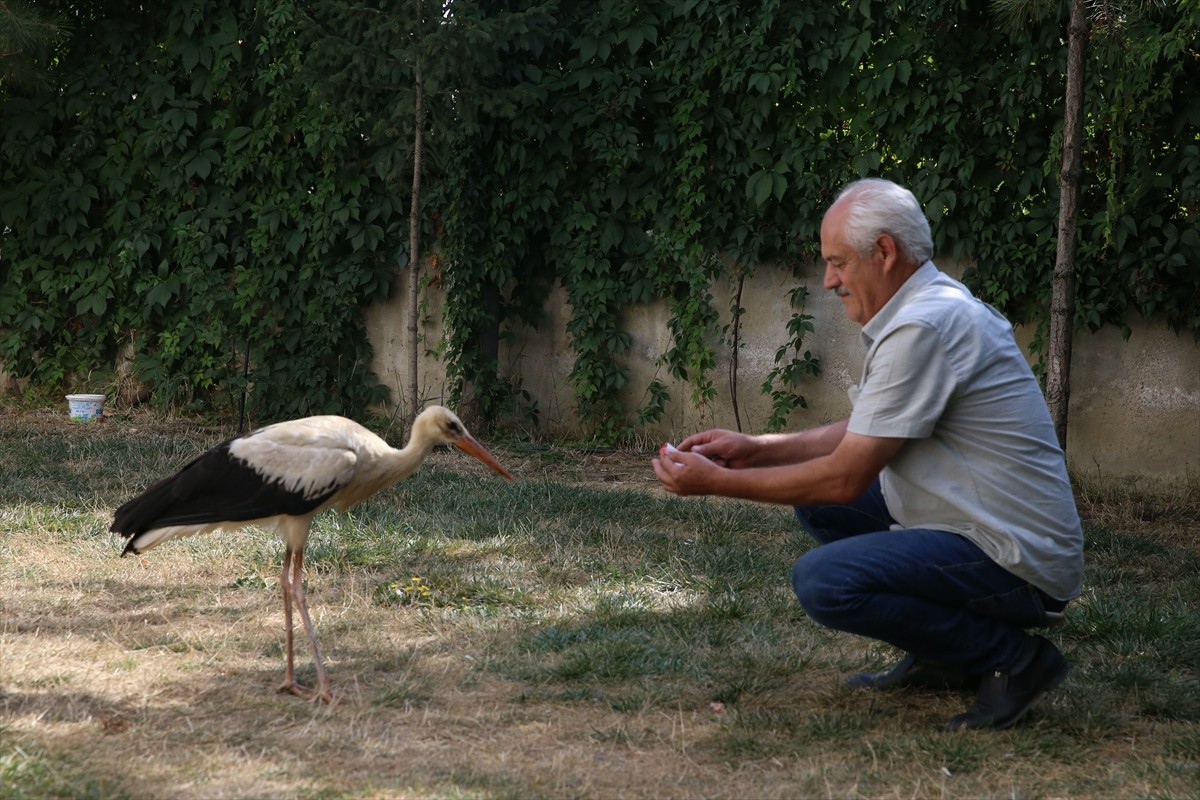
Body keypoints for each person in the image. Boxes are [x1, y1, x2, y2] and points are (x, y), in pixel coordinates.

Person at [652, 177, 1084, 731]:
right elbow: (869, 426)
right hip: (985, 528)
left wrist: (715, 482)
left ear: (884, 252)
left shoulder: (924, 324)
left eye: (837, 262)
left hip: (1017, 560)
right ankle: (945, 654)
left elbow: (844, 478)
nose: (828, 279)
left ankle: (1014, 661)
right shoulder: (930, 307)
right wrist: (757, 449)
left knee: (825, 581)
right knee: (819, 508)